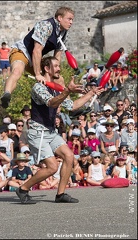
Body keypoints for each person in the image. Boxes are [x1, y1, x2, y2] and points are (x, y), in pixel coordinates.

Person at [15, 56, 103, 204]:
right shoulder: (39, 87)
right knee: (52, 167)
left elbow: (72, 106)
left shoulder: (55, 89)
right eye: (55, 66)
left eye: (59, 65)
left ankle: (60, 194)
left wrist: (91, 93)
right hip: (38, 133)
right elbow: (51, 103)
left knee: (69, 157)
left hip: (50, 131)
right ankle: (23, 189)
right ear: (47, 68)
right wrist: (67, 91)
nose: (59, 68)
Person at [0, 6, 75, 108]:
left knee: (59, 78)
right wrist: (38, 74)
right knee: (17, 71)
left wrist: (55, 72)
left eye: (72, 20)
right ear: (60, 18)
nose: (71, 22)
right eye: (69, 19)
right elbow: (37, 50)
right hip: (22, 51)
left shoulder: (63, 33)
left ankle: (70, 106)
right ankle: (6, 95)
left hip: (36, 57)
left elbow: (57, 55)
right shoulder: (46, 26)